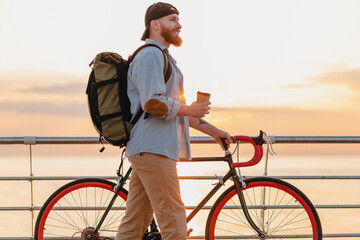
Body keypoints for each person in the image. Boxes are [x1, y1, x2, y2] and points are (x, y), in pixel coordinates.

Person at [116, 2, 232, 240]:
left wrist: (213, 131)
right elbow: (152, 104)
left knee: (135, 224)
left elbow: (177, 110)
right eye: (172, 20)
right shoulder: (150, 56)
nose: (179, 25)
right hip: (153, 149)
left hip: (150, 149)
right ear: (154, 24)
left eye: (178, 20)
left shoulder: (163, 57)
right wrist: (189, 108)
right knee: (174, 224)